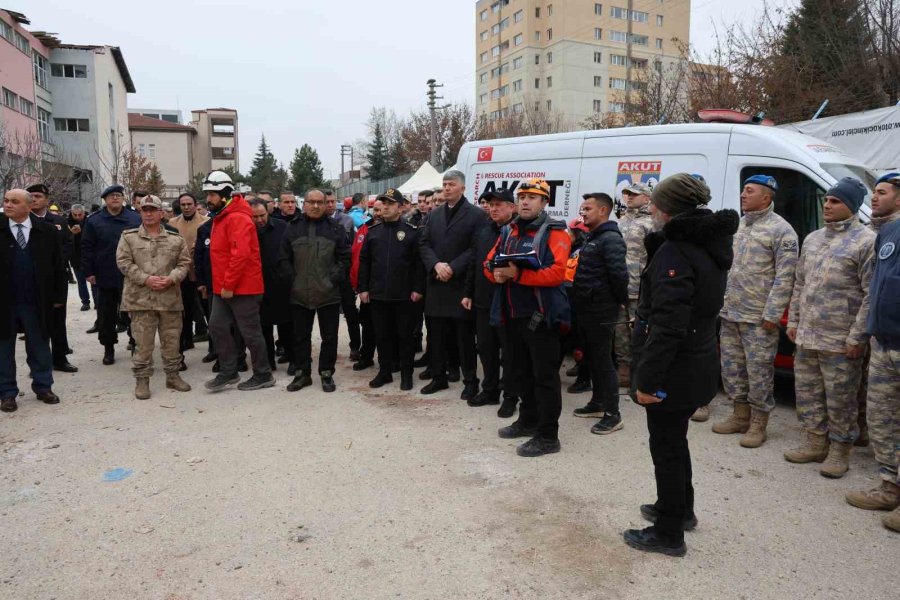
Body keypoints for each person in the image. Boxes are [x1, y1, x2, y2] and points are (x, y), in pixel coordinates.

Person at [624, 174, 739, 557]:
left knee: (667, 449)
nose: (651, 209)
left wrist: (647, 379)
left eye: (656, 203)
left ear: (669, 209)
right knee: (676, 441)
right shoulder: (706, 241)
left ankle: (668, 533)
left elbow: (669, 324)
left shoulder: (677, 250)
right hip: (696, 358)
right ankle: (679, 509)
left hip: (675, 368)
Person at [783, 178, 874, 478]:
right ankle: (815, 442)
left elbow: (870, 295)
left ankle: (840, 450)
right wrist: (794, 320)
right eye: (826, 200)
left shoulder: (866, 242)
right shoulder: (813, 239)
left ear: (852, 206)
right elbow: (800, 283)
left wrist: (857, 337)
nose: (827, 205)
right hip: (808, 334)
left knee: (841, 398)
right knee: (807, 391)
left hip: (840, 338)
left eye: (835, 201)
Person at [484, 178, 571, 457]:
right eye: (522, 196)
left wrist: (518, 274)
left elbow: (557, 273)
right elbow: (488, 262)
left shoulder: (555, 232)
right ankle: (528, 420)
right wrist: (496, 274)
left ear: (545, 202)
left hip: (541, 317)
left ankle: (548, 436)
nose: (525, 201)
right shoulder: (508, 230)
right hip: (512, 315)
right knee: (521, 373)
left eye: (532, 197)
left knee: (544, 377)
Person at [713, 175, 798, 448]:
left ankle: (758, 423)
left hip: (758, 317)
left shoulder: (782, 231)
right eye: (743, 190)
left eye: (749, 191)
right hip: (731, 312)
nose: (743, 195)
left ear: (766, 197)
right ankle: (740, 416)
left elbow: (786, 276)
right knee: (732, 367)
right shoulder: (738, 225)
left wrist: (772, 314)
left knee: (759, 371)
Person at [845, 181, 900, 533]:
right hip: (884, 343)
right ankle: (889, 487)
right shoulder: (888, 233)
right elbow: (877, 287)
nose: (874, 197)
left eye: (882, 192)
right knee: (881, 419)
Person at [202, 171, 275, 392]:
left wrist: (228, 285)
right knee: (217, 326)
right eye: (207, 194)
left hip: (242, 288)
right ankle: (229, 371)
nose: (208, 199)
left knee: (250, 332)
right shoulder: (223, 216)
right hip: (224, 287)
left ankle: (263, 374)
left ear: (225, 195)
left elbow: (240, 255)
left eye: (212, 194)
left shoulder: (237, 218)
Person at [419, 170, 488, 399]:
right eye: (445, 184)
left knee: (464, 338)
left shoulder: (477, 215)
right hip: (437, 283)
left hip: (460, 285)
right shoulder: (434, 214)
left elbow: (476, 248)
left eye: (451, 184)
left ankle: (470, 381)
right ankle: (439, 377)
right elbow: (424, 244)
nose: (447, 188)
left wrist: (452, 267)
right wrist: (436, 265)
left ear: (463, 188)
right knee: (436, 337)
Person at [116, 195, 192, 399]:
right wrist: (146, 279)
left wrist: (172, 278)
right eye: (144, 210)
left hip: (169, 299)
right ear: (140, 212)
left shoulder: (175, 239)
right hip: (140, 300)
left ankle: (173, 376)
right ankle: (142, 380)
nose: (148, 213)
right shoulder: (129, 237)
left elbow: (184, 263)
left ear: (161, 213)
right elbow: (123, 262)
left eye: (152, 210)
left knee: (172, 342)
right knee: (143, 344)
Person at [0, 189, 67, 412]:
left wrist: (58, 298)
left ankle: (43, 386)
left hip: (37, 300)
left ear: (28, 207)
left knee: (39, 345)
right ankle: (7, 393)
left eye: (14, 201)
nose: (8, 205)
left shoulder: (47, 231)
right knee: (3, 348)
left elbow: (58, 266)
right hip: (5, 302)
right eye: (6, 200)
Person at [278, 189, 350, 393]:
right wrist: (293, 281)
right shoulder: (292, 228)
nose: (316, 206)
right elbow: (283, 258)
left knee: (329, 337)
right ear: (305, 204)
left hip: (328, 294)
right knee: (300, 337)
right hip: (299, 294)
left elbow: (345, 258)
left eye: (320, 202)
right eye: (311, 202)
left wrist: (332, 280)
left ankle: (326, 372)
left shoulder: (335, 228)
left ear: (326, 204)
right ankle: (302, 373)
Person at [571, 192, 629, 434]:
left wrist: (619, 301)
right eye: (582, 208)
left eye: (587, 209)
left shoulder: (611, 239)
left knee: (604, 362)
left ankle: (613, 415)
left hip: (601, 310)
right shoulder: (592, 237)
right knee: (593, 358)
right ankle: (598, 403)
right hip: (587, 308)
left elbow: (619, 276)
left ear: (603, 211)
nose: (582, 212)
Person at [357, 189, 425, 390]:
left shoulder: (412, 232)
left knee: (405, 337)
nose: (385, 207)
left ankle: (406, 374)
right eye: (383, 203)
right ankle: (384, 372)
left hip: (404, 295)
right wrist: (363, 288)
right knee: (382, 335)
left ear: (400, 207)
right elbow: (365, 262)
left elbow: (419, 264)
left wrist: (418, 288)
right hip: (378, 295)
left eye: (390, 204)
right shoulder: (373, 232)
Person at [464, 189, 518, 414]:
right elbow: (474, 262)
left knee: (510, 352)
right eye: (490, 204)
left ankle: (511, 396)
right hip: (483, 300)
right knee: (486, 348)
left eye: (498, 204)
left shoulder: (518, 231)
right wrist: (468, 293)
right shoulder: (484, 230)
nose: (493, 208)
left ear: (511, 207)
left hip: (509, 302)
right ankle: (490, 390)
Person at [81, 184, 142, 365]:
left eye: (118, 195)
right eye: (111, 196)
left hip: (131, 274)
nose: (115, 198)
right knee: (106, 315)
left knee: (134, 312)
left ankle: (135, 343)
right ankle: (108, 348)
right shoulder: (94, 221)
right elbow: (86, 247)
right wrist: (89, 271)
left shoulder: (135, 218)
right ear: (105, 200)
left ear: (123, 198)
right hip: (105, 274)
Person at [25, 183, 77, 374]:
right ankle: (38, 363)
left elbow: (68, 244)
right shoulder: (23, 221)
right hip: (31, 278)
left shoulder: (58, 221)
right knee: (35, 323)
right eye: (30, 196)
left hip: (56, 277)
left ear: (47, 199)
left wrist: (56, 261)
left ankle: (60, 359)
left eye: (38, 196)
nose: (34, 199)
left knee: (57, 320)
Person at [615, 182, 654, 390]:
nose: (629, 197)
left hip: (640, 288)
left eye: (634, 194)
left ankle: (640, 374)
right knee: (620, 331)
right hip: (621, 285)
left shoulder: (652, 223)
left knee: (639, 331)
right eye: (627, 194)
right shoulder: (621, 221)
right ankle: (623, 371)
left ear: (647, 198)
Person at [250, 199, 294, 373]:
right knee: (263, 327)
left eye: (262, 215)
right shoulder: (246, 230)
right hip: (258, 286)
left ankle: (293, 359)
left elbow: (292, 252)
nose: (259, 220)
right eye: (255, 217)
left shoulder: (282, 227)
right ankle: (268, 361)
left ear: (267, 212)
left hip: (282, 284)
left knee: (287, 325)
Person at [169, 192, 211, 353]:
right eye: (183, 204)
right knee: (184, 309)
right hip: (182, 273)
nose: (186, 207)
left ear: (195, 204)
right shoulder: (172, 223)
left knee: (208, 310)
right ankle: (186, 340)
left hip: (202, 272)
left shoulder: (206, 222)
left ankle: (213, 346)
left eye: (189, 204)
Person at [326, 190, 361, 359]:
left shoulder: (347, 220)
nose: (330, 205)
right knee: (329, 316)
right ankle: (329, 350)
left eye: (332, 201)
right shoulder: (317, 223)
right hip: (325, 277)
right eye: (327, 202)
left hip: (344, 275)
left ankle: (355, 347)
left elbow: (353, 248)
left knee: (350, 312)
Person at [349, 210, 377, 372]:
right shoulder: (363, 229)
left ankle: (392, 359)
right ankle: (366, 356)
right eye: (376, 210)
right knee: (367, 324)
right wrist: (358, 285)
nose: (379, 213)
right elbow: (356, 258)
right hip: (366, 286)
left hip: (383, 287)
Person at [68, 204, 96, 311]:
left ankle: (97, 301)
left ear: (84, 213)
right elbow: (64, 240)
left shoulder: (90, 221)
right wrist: (72, 234)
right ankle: (85, 302)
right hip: (76, 256)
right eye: (75, 215)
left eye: (80, 214)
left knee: (94, 280)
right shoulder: (66, 222)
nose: (77, 217)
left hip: (90, 256)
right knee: (81, 282)